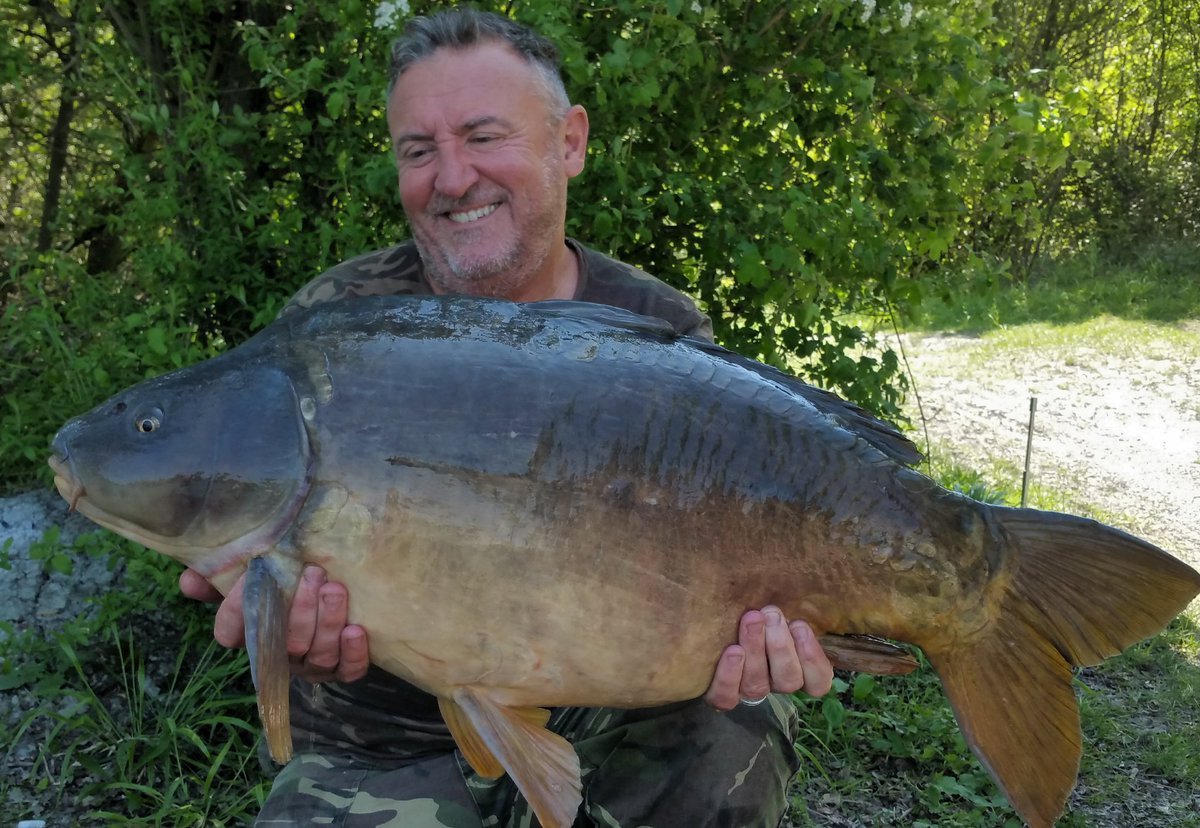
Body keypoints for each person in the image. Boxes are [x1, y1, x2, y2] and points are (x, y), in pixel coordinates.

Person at [180, 8, 834, 826]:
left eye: (483, 137)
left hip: (609, 716)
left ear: (570, 142)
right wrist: (289, 635)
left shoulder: (657, 330)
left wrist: (768, 629)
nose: (452, 178)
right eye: (418, 151)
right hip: (384, 744)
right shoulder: (336, 323)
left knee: (735, 725)